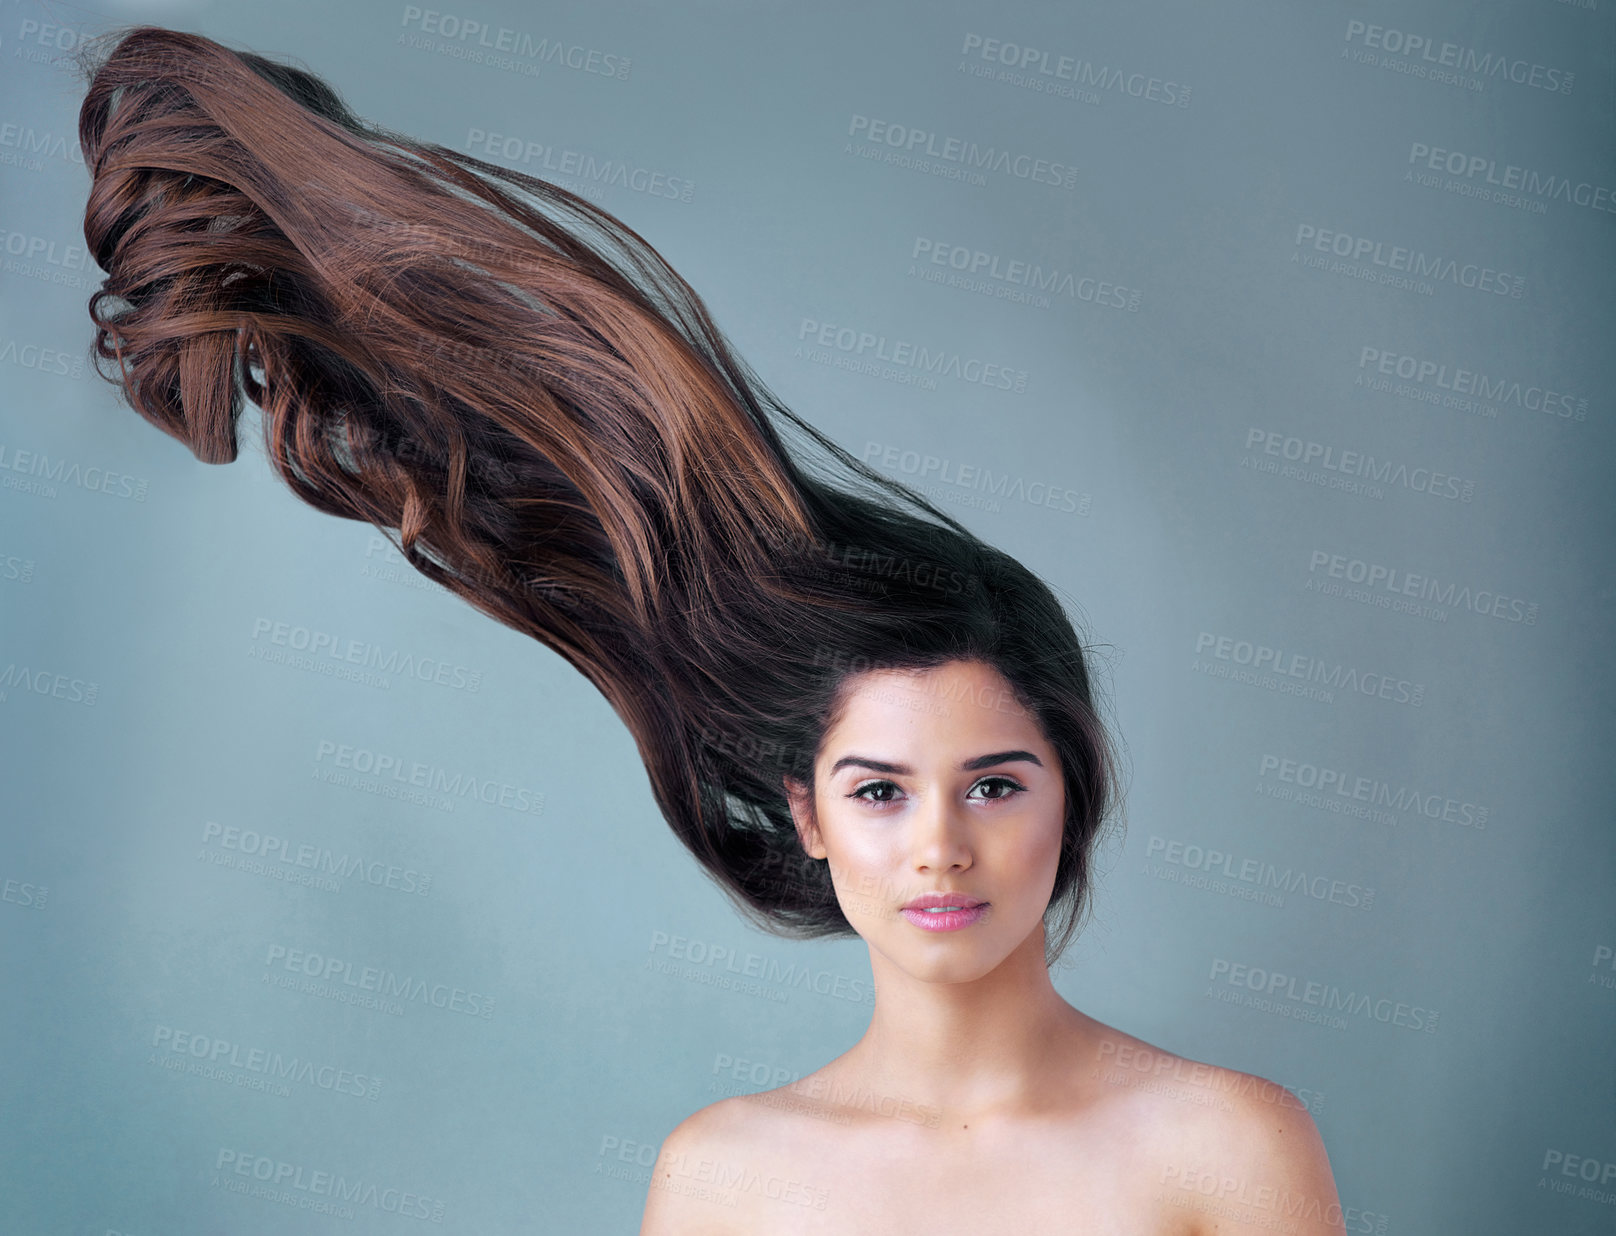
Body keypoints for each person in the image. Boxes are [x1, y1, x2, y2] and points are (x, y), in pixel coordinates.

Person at [73, 26, 1341, 1233]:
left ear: (1073, 793)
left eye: (995, 784)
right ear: (806, 814)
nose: (940, 847)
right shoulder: (729, 1179)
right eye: (880, 790)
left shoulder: (1223, 1145)